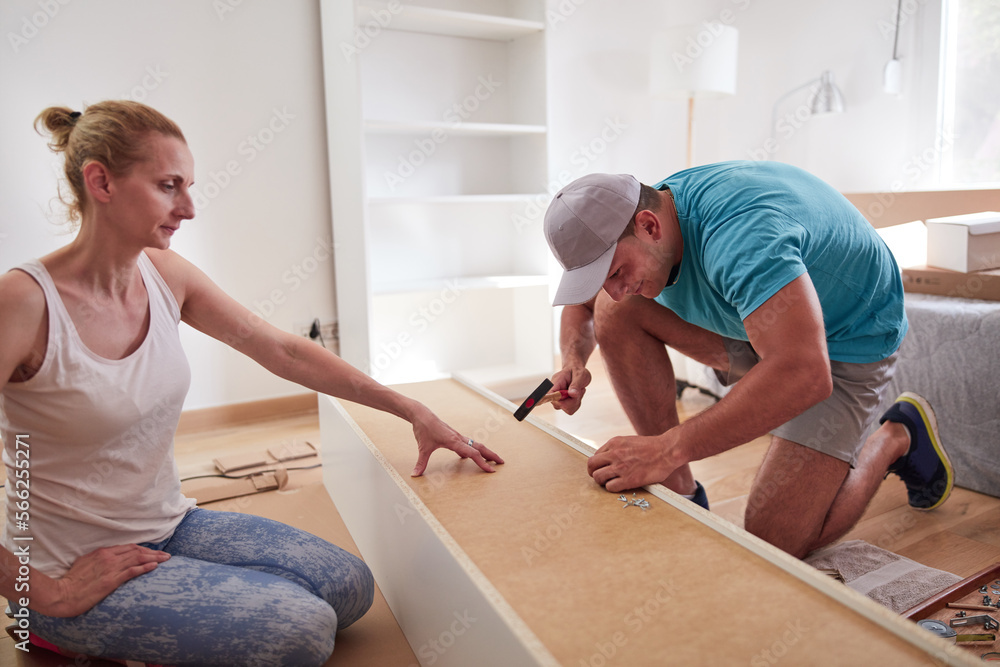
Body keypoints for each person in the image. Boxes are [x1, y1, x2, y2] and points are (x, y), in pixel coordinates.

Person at [0, 100, 503, 666]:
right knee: (303, 631)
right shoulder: (23, 303)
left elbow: (282, 349)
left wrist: (410, 408)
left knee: (348, 587)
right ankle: (45, 628)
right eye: (169, 187)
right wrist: (43, 592)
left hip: (167, 526)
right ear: (101, 182)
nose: (189, 208)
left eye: (189, 186)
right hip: (63, 570)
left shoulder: (164, 275)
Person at [542, 160, 953, 558]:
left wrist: (666, 448)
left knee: (772, 542)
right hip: (759, 324)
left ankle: (897, 439)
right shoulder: (648, 219)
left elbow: (805, 372)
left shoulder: (742, 239)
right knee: (617, 312)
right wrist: (575, 359)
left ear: (650, 226)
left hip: (842, 339)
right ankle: (683, 494)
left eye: (614, 273)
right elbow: (586, 304)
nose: (611, 289)